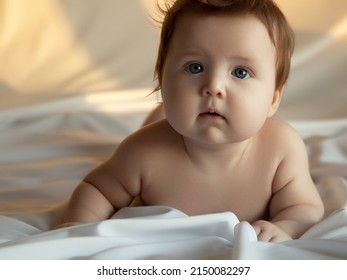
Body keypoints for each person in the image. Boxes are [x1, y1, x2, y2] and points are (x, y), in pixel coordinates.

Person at [56, 0, 324, 242]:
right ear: (162, 82)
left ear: (274, 99)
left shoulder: (281, 149)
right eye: (194, 67)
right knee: (155, 126)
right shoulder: (143, 152)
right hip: (162, 131)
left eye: (240, 72)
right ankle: (160, 113)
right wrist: (80, 226)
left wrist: (286, 227)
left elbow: (305, 207)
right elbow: (98, 189)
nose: (214, 86)